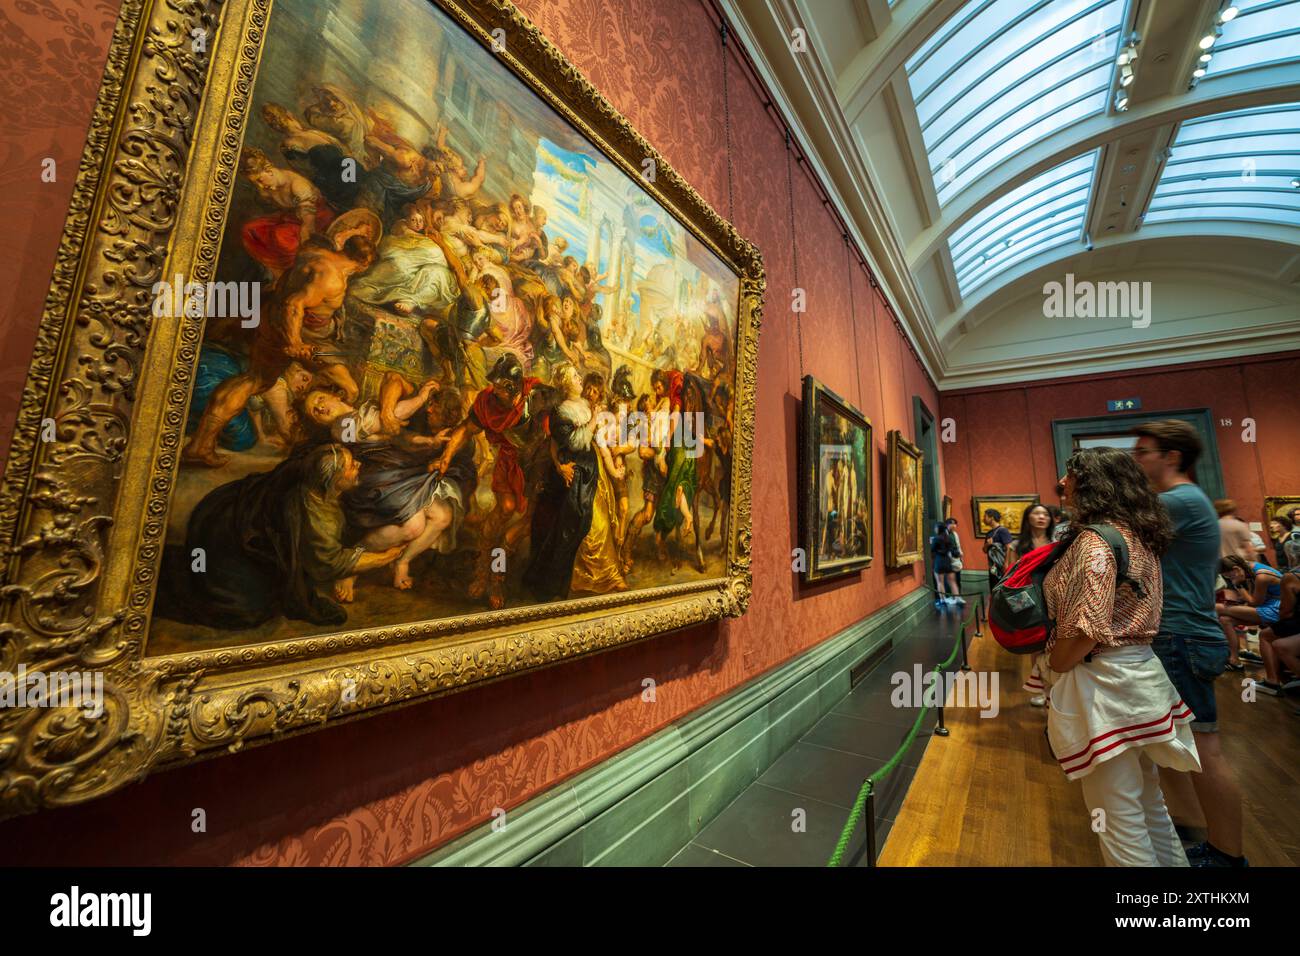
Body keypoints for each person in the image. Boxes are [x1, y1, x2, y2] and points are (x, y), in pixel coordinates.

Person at [1041, 448, 1197, 867]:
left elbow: (1084, 630)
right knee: (1149, 805)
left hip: (1105, 683)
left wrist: (1054, 663)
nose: (1062, 483)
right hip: (1142, 674)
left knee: (1117, 818)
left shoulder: (1095, 541)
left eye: (1070, 475)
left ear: (1092, 483)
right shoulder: (1136, 533)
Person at [1131, 420, 1247, 868]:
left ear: (1171, 456)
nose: (1137, 460)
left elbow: (1115, 535)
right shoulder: (1182, 500)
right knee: (1178, 744)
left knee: (1204, 750)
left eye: (1143, 452)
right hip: (1178, 633)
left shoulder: (1176, 500)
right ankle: (1196, 833)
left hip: (1182, 635)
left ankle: (1228, 854)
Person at [1216, 555, 1283, 687]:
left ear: (1236, 569)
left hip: (1278, 608)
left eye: (1230, 577)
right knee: (1226, 619)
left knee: (1218, 608)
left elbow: (1254, 603)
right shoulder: (1250, 568)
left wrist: (1239, 586)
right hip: (1269, 605)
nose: (1231, 580)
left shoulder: (1261, 576)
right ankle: (1234, 660)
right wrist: (1240, 602)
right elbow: (1253, 600)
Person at [1008, 502, 1054, 566]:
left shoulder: (1055, 544)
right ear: (1027, 518)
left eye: (1046, 514)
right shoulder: (1017, 545)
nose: (1041, 517)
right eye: (1036, 513)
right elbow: (1012, 572)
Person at [1214, 499, 1255, 563]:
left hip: (1220, 564)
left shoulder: (1213, 526)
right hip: (1238, 563)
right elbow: (1249, 550)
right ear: (1233, 510)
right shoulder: (1240, 525)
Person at [930, 521, 960, 609]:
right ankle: (957, 599)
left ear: (938, 529)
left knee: (940, 582)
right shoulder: (948, 538)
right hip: (948, 561)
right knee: (952, 582)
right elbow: (952, 549)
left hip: (939, 561)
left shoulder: (936, 539)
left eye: (936, 528)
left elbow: (932, 550)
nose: (935, 529)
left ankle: (942, 600)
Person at [982, 508, 1013, 587]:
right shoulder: (989, 533)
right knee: (993, 588)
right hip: (992, 567)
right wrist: (988, 544)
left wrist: (1006, 564)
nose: (983, 519)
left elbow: (1009, 547)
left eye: (985, 516)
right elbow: (985, 550)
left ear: (991, 517)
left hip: (1001, 566)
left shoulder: (1003, 531)